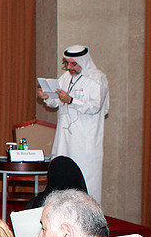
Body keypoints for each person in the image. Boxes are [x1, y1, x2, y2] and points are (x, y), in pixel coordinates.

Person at [37, 45, 109, 203]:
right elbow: (56, 102)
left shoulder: (97, 79)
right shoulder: (66, 77)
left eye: (73, 64)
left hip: (85, 140)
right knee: (62, 176)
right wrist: (47, 97)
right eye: (67, 63)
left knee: (85, 177)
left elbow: (96, 106)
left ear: (83, 61)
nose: (69, 67)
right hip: (65, 139)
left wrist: (71, 100)